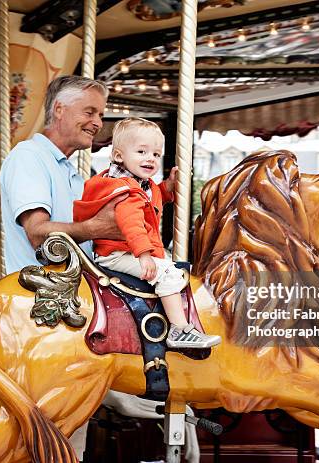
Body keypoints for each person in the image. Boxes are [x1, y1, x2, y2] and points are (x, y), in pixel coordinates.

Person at [74, 117, 221, 349]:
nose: (150, 159)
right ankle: (179, 330)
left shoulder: (139, 183)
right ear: (119, 156)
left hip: (126, 250)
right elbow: (132, 223)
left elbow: (152, 199)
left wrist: (169, 189)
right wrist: (144, 255)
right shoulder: (125, 191)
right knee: (168, 273)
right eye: (141, 151)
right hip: (120, 253)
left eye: (155, 154)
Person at [0, 76, 126, 274]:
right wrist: (96, 228)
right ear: (59, 109)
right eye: (89, 112)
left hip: (71, 292)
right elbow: (37, 233)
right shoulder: (29, 156)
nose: (98, 123)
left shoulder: (68, 170)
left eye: (100, 115)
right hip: (40, 294)